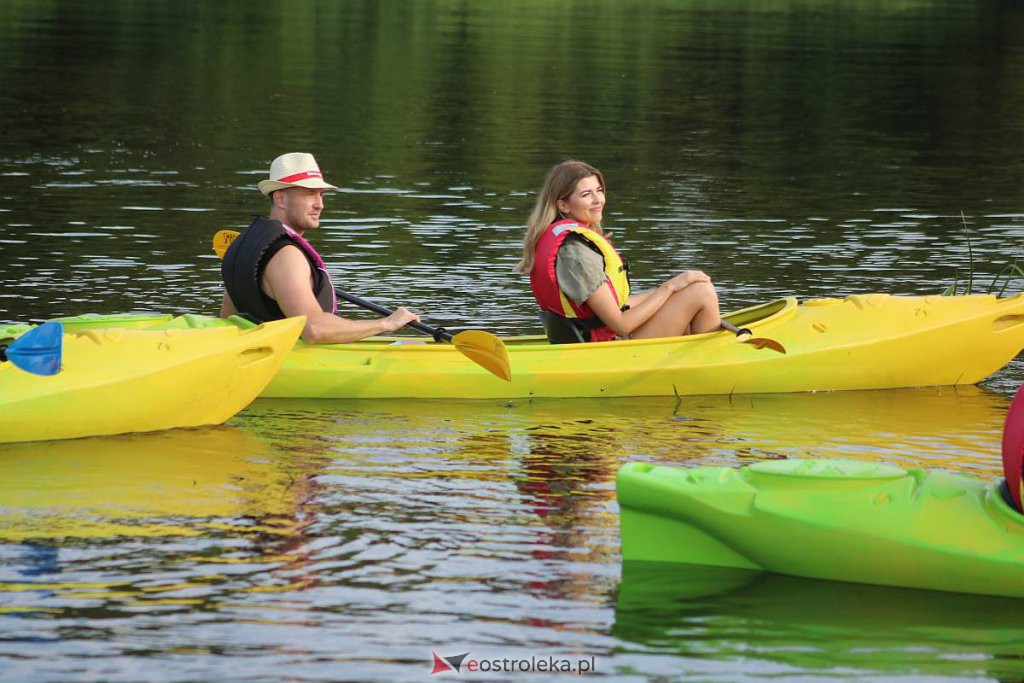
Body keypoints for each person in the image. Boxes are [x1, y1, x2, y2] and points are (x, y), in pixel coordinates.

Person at [220, 152, 419, 343]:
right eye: (309, 194)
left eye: (321, 195)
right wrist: (386, 323)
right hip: (299, 358)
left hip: (261, 355)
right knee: (417, 349)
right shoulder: (286, 255)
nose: (320, 205)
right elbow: (314, 330)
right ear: (280, 199)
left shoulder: (243, 247)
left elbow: (228, 320)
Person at [515, 159, 721, 343]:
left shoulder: (568, 241)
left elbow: (614, 307)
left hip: (593, 337)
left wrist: (675, 291)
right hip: (607, 346)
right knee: (701, 292)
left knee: (691, 288)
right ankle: (709, 364)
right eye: (587, 194)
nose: (598, 200)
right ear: (563, 205)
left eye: (600, 190)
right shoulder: (575, 254)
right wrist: (670, 287)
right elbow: (621, 325)